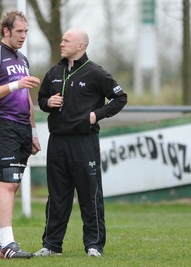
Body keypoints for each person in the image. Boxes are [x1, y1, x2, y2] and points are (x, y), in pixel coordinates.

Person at [35, 28, 128, 257]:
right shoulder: (53, 72)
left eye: (67, 40)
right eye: (62, 39)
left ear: (81, 46)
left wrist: (96, 115)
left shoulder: (95, 73)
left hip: (84, 142)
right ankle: (52, 245)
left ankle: (94, 245)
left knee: (89, 195)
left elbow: (120, 97)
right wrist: (48, 102)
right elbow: (41, 99)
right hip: (57, 142)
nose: (62, 43)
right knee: (56, 196)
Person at [0, 10, 41, 259]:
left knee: (13, 185)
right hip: (2, 125)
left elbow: (26, 98)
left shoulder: (22, 59)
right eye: (19, 31)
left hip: (23, 127)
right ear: (6, 31)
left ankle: (3, 242)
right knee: (9, 182)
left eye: (26, 31)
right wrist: (15, 84)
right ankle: (6, 244)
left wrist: (33, 131)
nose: (24, 36)